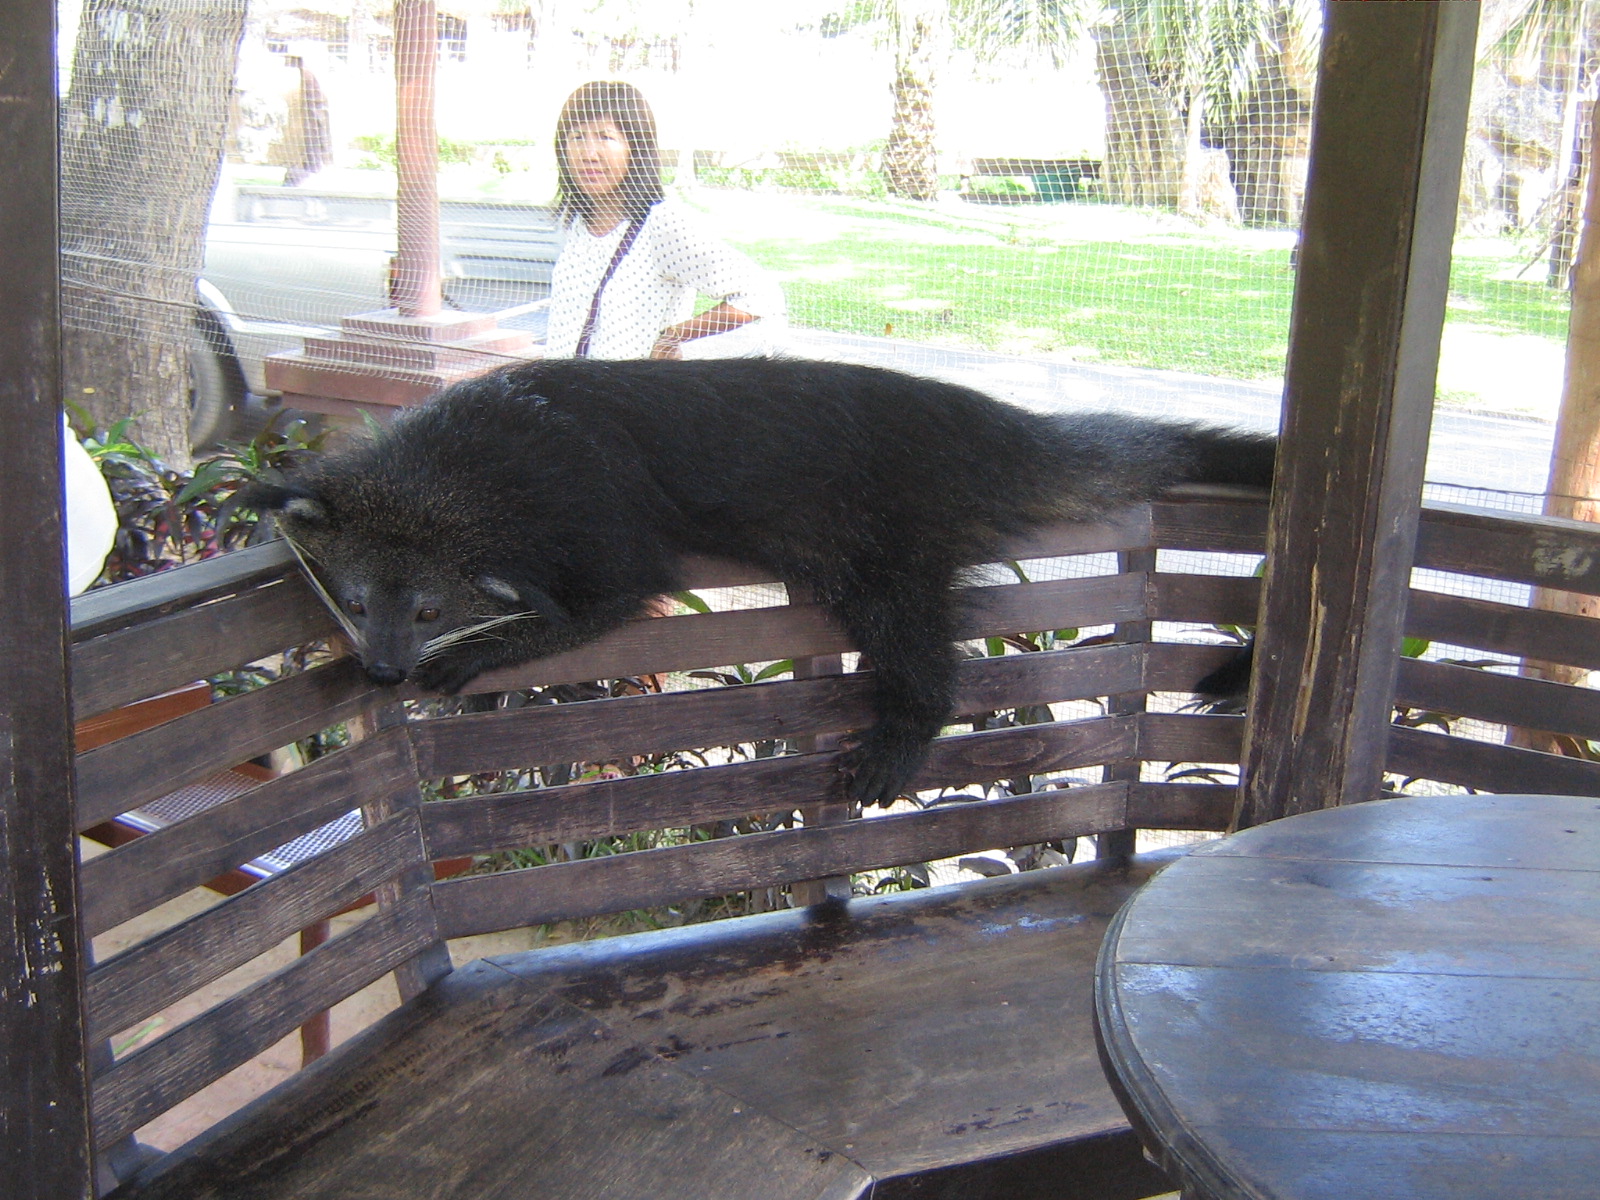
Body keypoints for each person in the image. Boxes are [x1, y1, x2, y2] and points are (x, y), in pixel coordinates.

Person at [544, 80, 784, 360]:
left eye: (605, 137)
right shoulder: (577, 226)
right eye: (577, 137)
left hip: (630, 387)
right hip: (565, 386)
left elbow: (760, 295)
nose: (589, 154)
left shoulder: (662, 224)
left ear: (636, 148)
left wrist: (674, 337)